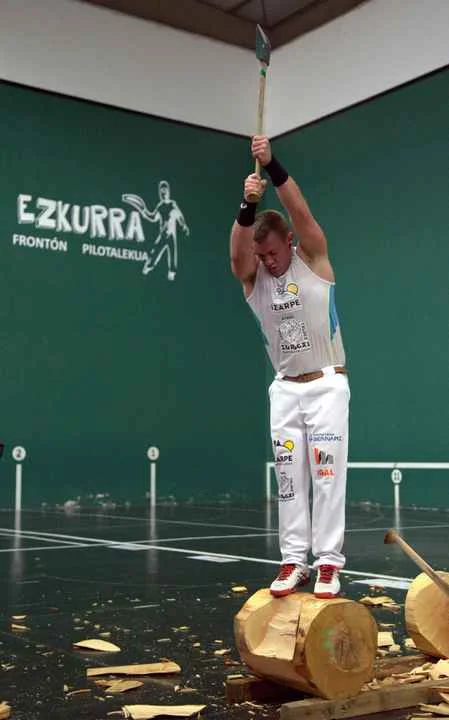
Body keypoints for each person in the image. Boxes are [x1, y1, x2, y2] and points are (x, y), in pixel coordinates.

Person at [229, 136, 350, 599]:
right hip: (285, 390)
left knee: (326, 476)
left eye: (274, 253)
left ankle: (328, 562)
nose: (268, 262)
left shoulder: (312, 258)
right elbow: (237, 256)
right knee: (287, 480)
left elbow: (300, 212)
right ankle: (294, 561)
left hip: (326, 385)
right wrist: (247, 204)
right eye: (262, 255)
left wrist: (273, 165)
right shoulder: (254, 278)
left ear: (290, 243)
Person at [123, 181, 189, 281]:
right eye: (161, 191)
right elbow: (153, 217)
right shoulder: (160, 206)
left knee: (172, 253)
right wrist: (144, 211)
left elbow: (179, 215)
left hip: (171, 234)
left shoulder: (172, 204)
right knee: (154, 253)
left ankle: (172, 274)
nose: (163, 193)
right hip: (162, 234)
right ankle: (148, 268)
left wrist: (183, 225)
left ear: (168, 191)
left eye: (165, 190)